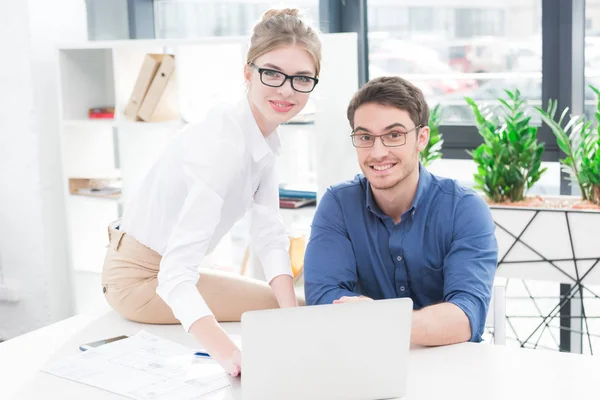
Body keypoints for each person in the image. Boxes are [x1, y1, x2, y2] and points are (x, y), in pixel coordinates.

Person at [101, 7, 322, 376]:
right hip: (139, 280)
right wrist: (231, 356)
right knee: (291, 306)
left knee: (295, 306)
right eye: (273, 74)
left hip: (162, 268)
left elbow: (269, 235)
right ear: (248, 73)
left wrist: (291, 319)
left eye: (302, 78)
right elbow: (173, 276)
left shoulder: (263, 135)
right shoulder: (222, 145)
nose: (287, 90)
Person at [303, 76, 498, 346]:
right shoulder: (338, 204)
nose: (378, 152)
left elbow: (465, 316)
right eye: (365, 137)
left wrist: (379, 319)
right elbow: (323, 297)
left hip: (451, 367)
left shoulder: (463, 209)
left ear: (421, 138)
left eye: (394, 135)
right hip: (367, 362)